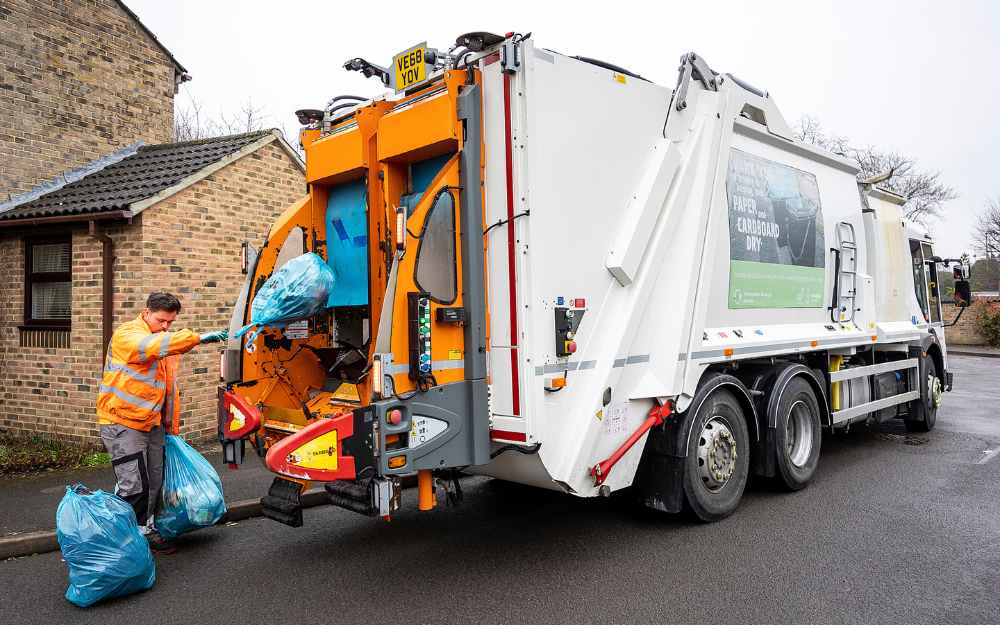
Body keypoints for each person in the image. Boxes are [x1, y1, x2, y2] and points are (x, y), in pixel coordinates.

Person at [97, 292, 228, 554]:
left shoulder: (163, 342)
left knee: (154, 481)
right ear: (146, 313)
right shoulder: (128, 335)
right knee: (134, 487)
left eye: (170, 322)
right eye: (161, 321)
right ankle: (127, 543)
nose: (165, 327)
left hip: (152, 424)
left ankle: (146, 530)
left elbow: (168, 390)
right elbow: (150, 347)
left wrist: (170, 429)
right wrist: (199, 338)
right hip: (123, 423)